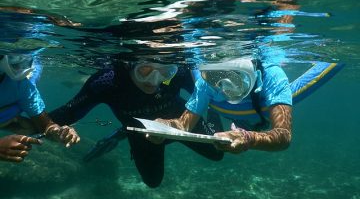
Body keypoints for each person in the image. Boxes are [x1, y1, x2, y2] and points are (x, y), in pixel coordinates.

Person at [49, 60, 224, 188]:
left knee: (217, 154)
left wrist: (214, 108)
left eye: (165, 72)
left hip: (182, 121)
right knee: (153, 181)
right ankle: (124, 131)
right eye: (145, 70)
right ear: (129, 64)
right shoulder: (108, 81)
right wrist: (35, 124)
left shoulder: (179, 71)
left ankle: (214, 117)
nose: (154, 80)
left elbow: (206, 93)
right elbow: (68, 112)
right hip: (141, 132)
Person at [152, 55, 292, 154]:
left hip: (255, 121)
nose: (224, 88)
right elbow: (184, 124)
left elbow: (284, 135)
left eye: (235, 78)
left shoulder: (272, 76)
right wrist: (165, 126)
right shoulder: (205, 83)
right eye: (214, 77)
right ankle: (211, 109)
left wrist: (249, 138)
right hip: (232, 117)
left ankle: (213, 110)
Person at [0, 53, 80, 163]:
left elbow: (46, 126)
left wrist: (58, 132)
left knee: (29, 128)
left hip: (10, 107)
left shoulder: (21, 86)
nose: (20, 66)